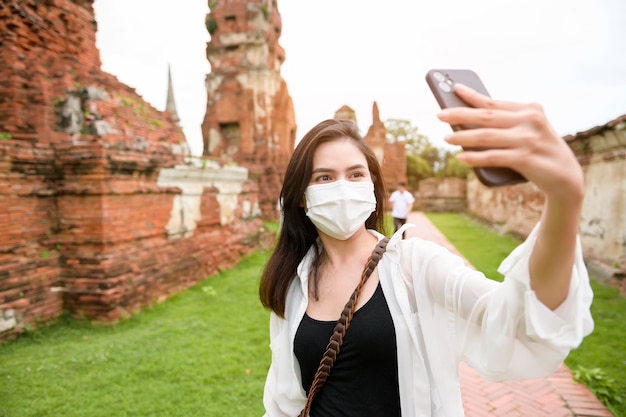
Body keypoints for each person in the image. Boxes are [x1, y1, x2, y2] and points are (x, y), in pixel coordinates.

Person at [258, 83, 594, 417]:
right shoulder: (294, 280)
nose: (343, 187)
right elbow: (284, 397)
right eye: (325, 178)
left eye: (356, 174)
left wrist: (564, 200)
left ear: (373, 186)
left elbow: (520, 324)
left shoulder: (416, 265)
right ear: (302, 197)